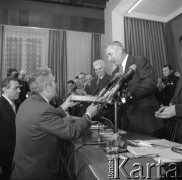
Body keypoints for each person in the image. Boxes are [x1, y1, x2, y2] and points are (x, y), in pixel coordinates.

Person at [10, 67, 98, 180]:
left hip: (23, 168)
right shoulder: (44, 110)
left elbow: (43, 120)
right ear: (47, 87)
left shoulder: (27, 103)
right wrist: (89, 115)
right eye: (54, 81)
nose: (56, 84)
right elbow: (72, 132)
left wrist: (64, 106)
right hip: (38, 172)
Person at [106, 41, 164, 137]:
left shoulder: (139, 61)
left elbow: (150, 82)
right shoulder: (115, 72)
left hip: (145, 122)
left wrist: (129, 95)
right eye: (107, 56)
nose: (109, 59)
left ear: (120, 50)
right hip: (126, 124)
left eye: (110, 54)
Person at [0, 77, 21, 180]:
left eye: (19, 88)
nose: (19, 90)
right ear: (5, 89)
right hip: (4, 155)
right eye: (16, 88)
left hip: (16, 153)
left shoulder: (17, 103)